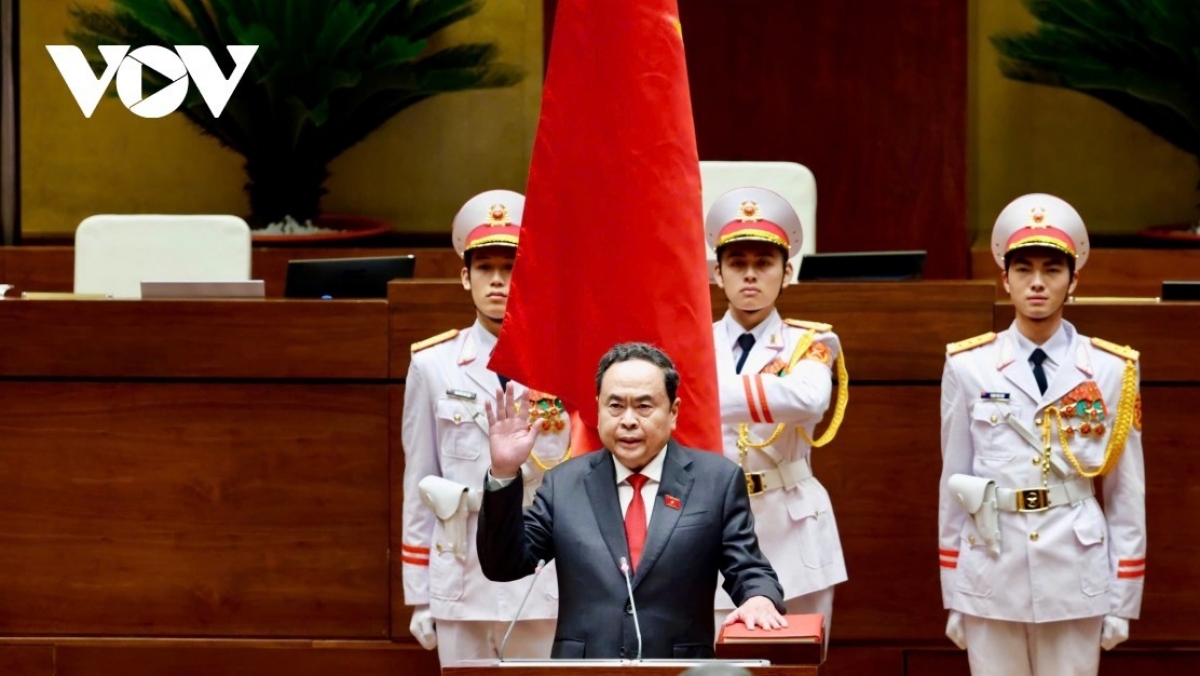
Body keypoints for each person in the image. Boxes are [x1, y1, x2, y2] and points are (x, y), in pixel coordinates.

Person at [939, 193, 1146, 676]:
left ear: (1074, 280)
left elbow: (1126, 494)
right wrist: (955, 590)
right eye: (1024, 269)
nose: (1037, 283)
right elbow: (954, 483)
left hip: (1075, 567)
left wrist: (1123, 597)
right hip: (991, 564)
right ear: (1004, 278)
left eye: (1052, 269)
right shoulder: (968, 365)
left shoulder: (1113, 369)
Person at [477, 342, 788, 659]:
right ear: (597, 409)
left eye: (643, 407)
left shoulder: (716, 481)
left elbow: (748, 569)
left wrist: (760, 598)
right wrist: (503, 472)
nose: (628, 420)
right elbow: (503, 564)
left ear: (673, 412)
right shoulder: (564, 483)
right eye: (615, 406)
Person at [401, 190, 572, 666]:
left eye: (511, 268)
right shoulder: (434, 364)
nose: (498, 282)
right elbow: (420, 481)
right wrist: (419, 593)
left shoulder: (563, 361)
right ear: (465, 276)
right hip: (460, 565)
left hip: (540, 570)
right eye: (485, 269)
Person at [705, 187, 849, 644]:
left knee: (793, 664)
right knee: (714, 668)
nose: (750, 275)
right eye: (737, 263)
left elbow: (807, 401)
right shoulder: (689, 343)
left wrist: (698, 391)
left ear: (787, 272)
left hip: (793, 523)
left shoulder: (814, 341)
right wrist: (775, 390)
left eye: (764, 263)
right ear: (716, 272)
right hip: (711, 523)